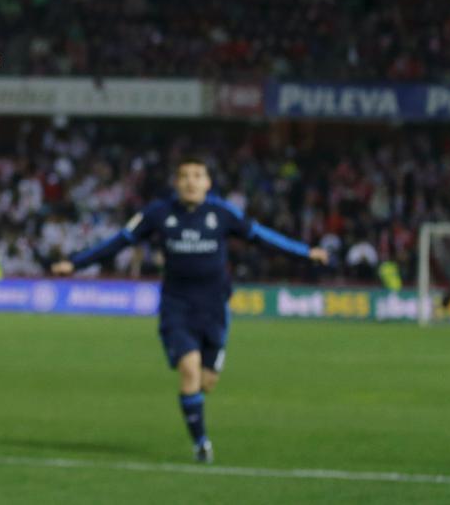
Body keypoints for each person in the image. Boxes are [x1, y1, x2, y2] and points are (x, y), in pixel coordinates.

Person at [51, 157, 328, 463]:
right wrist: (75, 263)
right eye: (184, 176)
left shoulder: (222, 213)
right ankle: (201, 444)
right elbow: (118, 242)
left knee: (206, 381)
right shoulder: (158, 213)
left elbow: (262, 237)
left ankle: (196, 413)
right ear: (176, 182)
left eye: (198, 175)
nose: (191, 181)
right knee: (189, 371)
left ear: (208, 183)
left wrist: (305, 253)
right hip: (176, 307)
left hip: (215, 309)